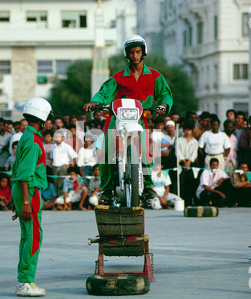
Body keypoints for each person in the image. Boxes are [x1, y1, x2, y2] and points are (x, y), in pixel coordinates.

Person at [83, 34, 173, 204]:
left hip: (140, 120)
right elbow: (104, 93)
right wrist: (94, 102)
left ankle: (147, 188)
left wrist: (163, 106)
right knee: (106, 152)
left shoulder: (155, 76)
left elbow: (165, 95)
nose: (134, 55)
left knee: (147, 152)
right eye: (131, 52)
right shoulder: (118, 77)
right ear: (127, 54)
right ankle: (107, 190)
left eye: (138, 52)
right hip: (116, 119)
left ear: (143, 52)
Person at [11, 97, 53, 297]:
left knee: (27, 236)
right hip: (30, 191)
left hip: (23, 191)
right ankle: (25, 281)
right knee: (34, 236)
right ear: (42, 118)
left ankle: (25, 279)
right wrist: (25, 202)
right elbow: (25, 173)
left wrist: (18, 199)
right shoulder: (34, 141)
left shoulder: (26, 136)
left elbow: (17, 169)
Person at [175, 120, 198, 206]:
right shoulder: (179, 140)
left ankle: (190, 201)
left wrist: (188, 162)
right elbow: (178, 152)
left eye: (189, 130)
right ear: (183, 130)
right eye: (186, 130)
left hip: (191, 163)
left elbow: (194, 153)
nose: (187, 132)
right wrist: (184, 162)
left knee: (191, 182)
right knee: (181, 182)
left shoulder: (195, 141)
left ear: (192, 130)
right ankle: (182, 201)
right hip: (181, 163)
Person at [50, 130, 77, 197]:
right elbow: (51, 157)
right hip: (55, 167)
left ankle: (63, 199)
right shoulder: (53, 146)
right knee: (56, 183)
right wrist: (52, 165)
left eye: (59, 136)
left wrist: (71, 165)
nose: (57, 138)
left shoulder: (66, 146)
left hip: (63, 167)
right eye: (56, 136)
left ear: (62, 137)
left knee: (62, 184)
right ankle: (58, 199)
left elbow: (74, 156)